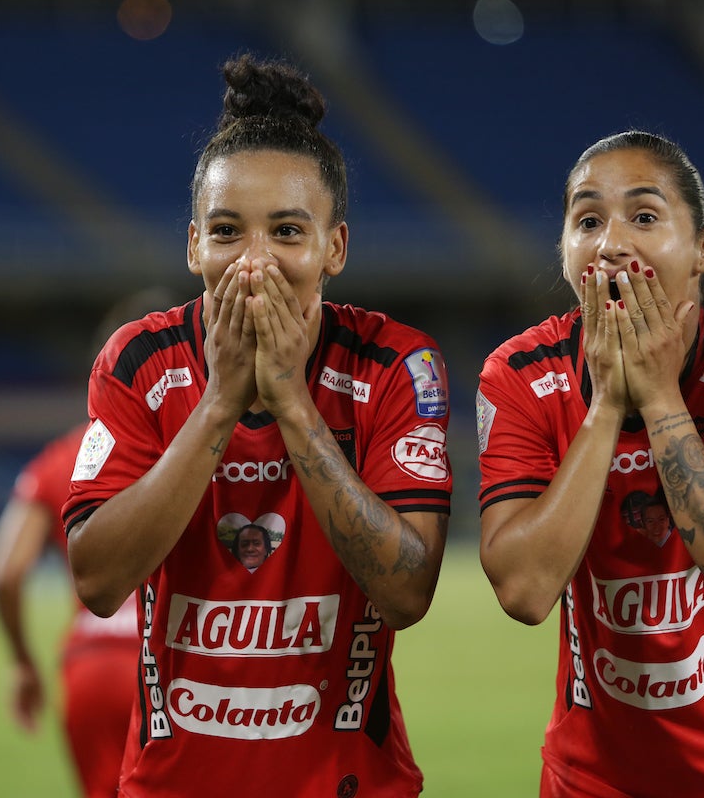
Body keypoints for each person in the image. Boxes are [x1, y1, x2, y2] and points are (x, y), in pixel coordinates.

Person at [64, 54, 452, 797]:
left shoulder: (396, 364)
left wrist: (290, 403)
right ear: (192, 246)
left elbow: (407, 592)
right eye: (226, 231)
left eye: (285, 231)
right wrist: (219, 403)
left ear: (333, 248)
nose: (253, 263)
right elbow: (99, 580)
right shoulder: (139, 361)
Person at [476, 130, 704, 797]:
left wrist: (658, 396)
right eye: (588, 220)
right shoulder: (518, 374)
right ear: (567, 252)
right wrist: (605, 406)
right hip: (591, 783)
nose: (611, 244)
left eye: (645, 216)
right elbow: (525, 591)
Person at [0, 288, 176, 798]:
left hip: (93, 664)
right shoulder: (214, 457)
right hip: (180, 667)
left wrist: (24, 663)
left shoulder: (65, 458)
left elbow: (4, 571)